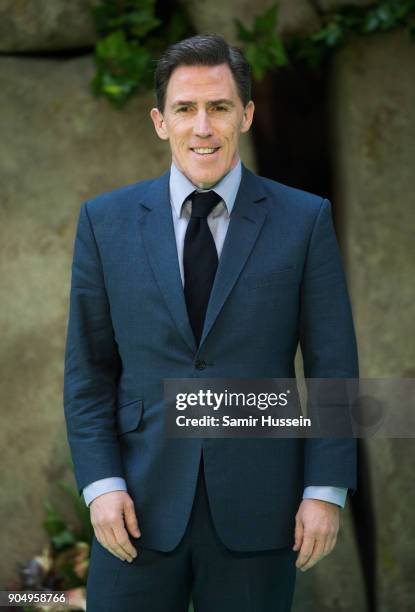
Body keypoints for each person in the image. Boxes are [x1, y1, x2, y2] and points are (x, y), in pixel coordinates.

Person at [63, 33, 358, 612]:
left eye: (219, 107)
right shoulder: (105, 222)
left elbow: (333, 366)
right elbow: (89, 370)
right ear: (159, 121)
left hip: (262, 508)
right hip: (135, 509)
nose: (203, 126)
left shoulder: (305, 220)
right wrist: (101, 485)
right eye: (185, 109)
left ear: (245, 114)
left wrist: (325, 490)